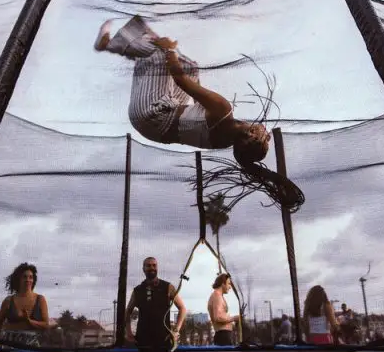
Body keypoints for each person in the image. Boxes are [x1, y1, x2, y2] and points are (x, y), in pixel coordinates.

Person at [94, 15, 303, 213]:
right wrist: (181, 68)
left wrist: (168, 50)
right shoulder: (225, 142)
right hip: (157, 125)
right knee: (190, 67)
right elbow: (195, 106)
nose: (265, 130)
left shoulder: (223, 110)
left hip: (151, 114)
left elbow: (180, 80)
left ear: (249, 136)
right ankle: (129, 44)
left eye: (263, 136)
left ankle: (110, 45)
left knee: (160, 56)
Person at [208, 273, 239, 346]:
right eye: (229, 284)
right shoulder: (217, 296)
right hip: (223, 336)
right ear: (223, 284)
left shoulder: (218, 296)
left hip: (224, 335)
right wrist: (235, 318)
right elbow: (218, 317)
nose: (230, 287)